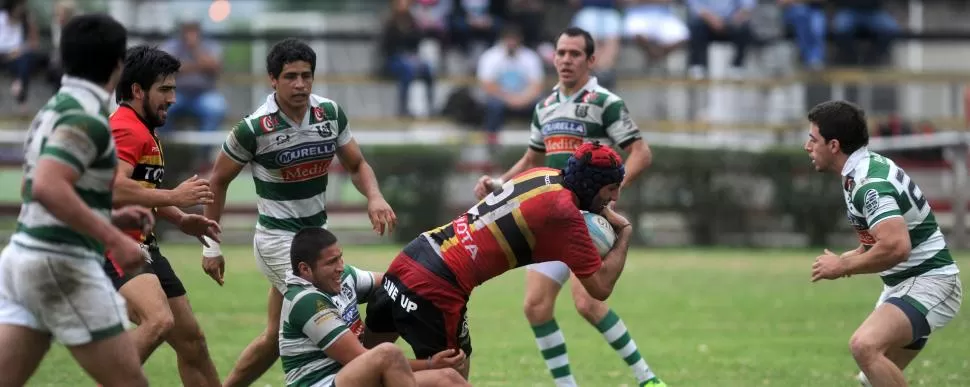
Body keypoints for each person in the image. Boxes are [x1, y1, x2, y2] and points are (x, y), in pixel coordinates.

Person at [201, 37, 398, 387]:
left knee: (274, 338)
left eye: (306, 76)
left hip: (316, 237)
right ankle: (370, 369)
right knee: (333, 305)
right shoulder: (253, 128)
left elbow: (356, 165)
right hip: (278, 242)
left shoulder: (330, 114)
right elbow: (217, 181)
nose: (300, 84)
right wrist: (211, 247)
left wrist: (374, 196)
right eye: (290, 76)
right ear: (272, 80)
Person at [472, 26, 661, 387]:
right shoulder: (544, 107)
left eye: (575, 54)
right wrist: (499, 184)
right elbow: (533, 158)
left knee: (588, 302)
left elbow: (641, 152)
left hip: (587, 219)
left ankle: (647, 379)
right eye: (561, 53)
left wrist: (613, 189)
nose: (565, 60)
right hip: (551, 217)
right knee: (536, 307)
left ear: (591, 60)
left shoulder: (605, 102)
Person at [366, 142, 636, 380]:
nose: (614, 198)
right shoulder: (565, 217)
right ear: (591, 185)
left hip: (412, 256)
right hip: (439, 285)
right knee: (451, 377)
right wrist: (624, 232)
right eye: (611, 189)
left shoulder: (543, 175)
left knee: (360, 367)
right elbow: (601, 288)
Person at [0, 14, 151, 387]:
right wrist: (115, 239)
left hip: (22, 259)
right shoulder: (86, 118)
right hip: (62, 264)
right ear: (118, 63)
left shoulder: (54, 108)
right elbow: (48, 188)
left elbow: (33, 185)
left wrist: (107, 217)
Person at [803, 100, 963, 387]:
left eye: (813, 139)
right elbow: (876, 243)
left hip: (929, 282)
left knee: (864, 346)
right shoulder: (859, 172)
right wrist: (851, 258)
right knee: (872, 379)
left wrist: (842, 266)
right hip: (906, 284)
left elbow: (896, 247)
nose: (807, 146)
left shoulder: (869, 184)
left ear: (835, 145)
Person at [106, 45, 223, 386]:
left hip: (145, 245)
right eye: (165, 89)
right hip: (115, 245)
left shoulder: (144, 129)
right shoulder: (126, 128)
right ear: (137, 90)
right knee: (158, 322)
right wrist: (175, 195)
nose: (173, 98)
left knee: (193, 345)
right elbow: (112, 189)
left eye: (173, 88)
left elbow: (140, 189)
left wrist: (181, 218)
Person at [280, 227, 470, 387]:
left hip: (353, 377)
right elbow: (358, 357)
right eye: (331, 262)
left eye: (340, 258)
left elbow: (396, 283)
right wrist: (429, 364)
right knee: (388, 353)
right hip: (324, 382)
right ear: (305, 269)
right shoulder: (306, 301)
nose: (340, 267)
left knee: (447, 378)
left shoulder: (343, 277)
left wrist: (435, 288)